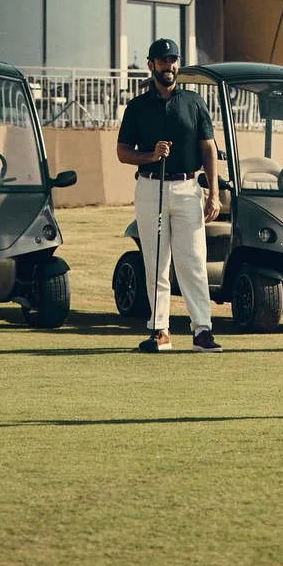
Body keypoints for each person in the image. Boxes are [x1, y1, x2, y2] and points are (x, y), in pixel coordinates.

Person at [114, 38, 223, 352]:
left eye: (173, 60)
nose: (169, 66)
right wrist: (150, 155)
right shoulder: (137, 107)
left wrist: (213, 194)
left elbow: (208, 148)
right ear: (151, 66)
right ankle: (160, 330)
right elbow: (122, 152)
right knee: (157, 261)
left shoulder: (194, 103)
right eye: (162, 61)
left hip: (189, 188)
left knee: (193, 261)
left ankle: (202, 330)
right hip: (151, 187)